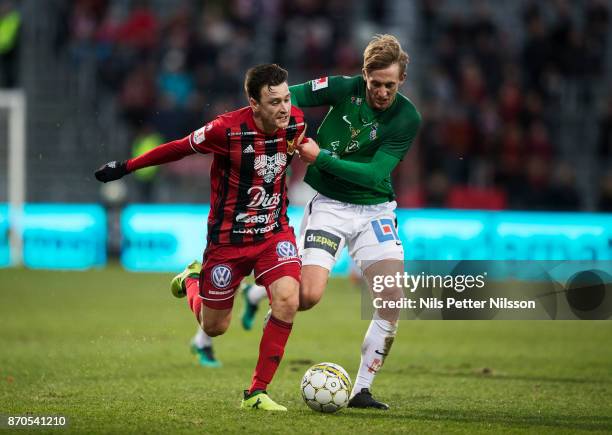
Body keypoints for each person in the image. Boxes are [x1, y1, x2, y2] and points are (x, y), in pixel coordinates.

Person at [95, 64, 306, 411]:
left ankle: (256, 392)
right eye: (274, 102)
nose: (284, 109)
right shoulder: (226, 130)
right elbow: (178, 148)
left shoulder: (296, 122)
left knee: (287, 300)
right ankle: (193, 278)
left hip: (273, 231)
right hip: (228, 241)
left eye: (286, 99)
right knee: (215, 326)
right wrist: (127, 166)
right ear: (253, 102)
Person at [244, 34, 421, 409]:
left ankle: (361, 390)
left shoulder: (407, 118)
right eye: (376, 84)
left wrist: (319, 156)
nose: (383, 92)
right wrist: (269, 117)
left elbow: (374, 174)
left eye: (391, 85)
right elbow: (287, 95)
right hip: (329, 206)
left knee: (391, 300)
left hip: (376, 210)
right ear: (364, 76)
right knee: (307, 296)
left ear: (402, 80)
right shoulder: (343, 88)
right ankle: (262, 294)